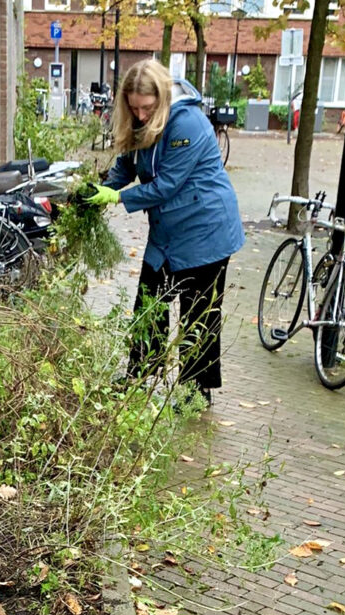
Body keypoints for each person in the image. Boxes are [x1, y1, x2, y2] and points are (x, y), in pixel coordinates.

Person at [84, 59, 244, 404]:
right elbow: (127, 165)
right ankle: (140, 373)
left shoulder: (188, 123)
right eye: (134, 109)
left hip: (206, 230)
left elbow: (166, 185)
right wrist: (101, 191)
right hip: (169, 231)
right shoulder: (141, 123)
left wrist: (119, 197)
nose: (140, 116)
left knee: (198, 312)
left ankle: (195, 391)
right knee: (149, 302)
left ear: (161, 97)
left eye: (146, 108)